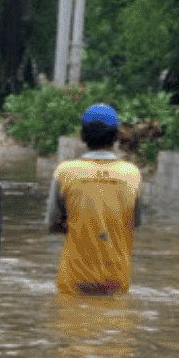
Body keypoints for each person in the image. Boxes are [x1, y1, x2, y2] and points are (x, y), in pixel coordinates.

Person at [44, 103, 143, 296]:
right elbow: (135, 223)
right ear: (116, 136)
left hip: (74, 281)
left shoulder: (66, 173)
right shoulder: (132, 175)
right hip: (116, 281)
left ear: (82, 136)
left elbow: (51, 224)